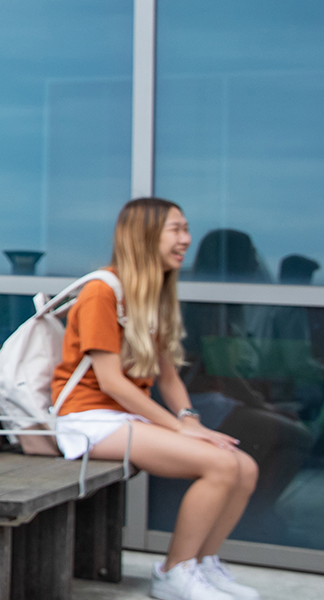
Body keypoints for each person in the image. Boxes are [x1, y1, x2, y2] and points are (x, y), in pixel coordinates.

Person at [46, 198, 260, 600]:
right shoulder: (101, 291)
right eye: (176, 230)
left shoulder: (152, 294)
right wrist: (178, 427)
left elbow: (169, 375)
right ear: (144, 236)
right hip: (88, 419)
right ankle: (173, 573)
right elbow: (111, 383)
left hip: (124, 418)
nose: (187, 240)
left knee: (243, 467)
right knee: (219, 464)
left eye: (186, 229)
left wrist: (190, 418)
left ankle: (200, 563)